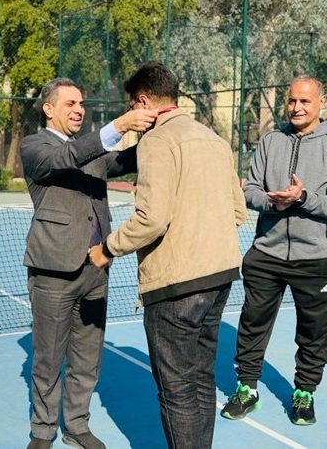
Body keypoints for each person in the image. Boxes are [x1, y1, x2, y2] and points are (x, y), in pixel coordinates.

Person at [89, 61, 246, 449]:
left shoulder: (156, 141)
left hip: (176, 286)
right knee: (201, 380)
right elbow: (238, 211)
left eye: (131, 106)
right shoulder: (213, 139)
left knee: (177, 391)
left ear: (143, 102)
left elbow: (152, 219)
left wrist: (107, 249)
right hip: (220, 277)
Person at [21, 77, 158, 449]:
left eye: (81, 103)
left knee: (87, 357)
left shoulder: (93, 150)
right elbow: (67, 157)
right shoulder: (35, 147)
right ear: (48, 108)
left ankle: (77, 426)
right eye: (70, 104)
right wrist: (119, 126)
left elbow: (126, 160)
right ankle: (42, 431)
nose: (79, 109)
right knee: (48, 359)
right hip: (53, 271)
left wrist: (154, 126)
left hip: (97, 267)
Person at [220, 74, 327, 425]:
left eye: (305, 101)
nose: (296, 107)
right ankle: (247, 388)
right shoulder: (271, 140)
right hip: (266, 254)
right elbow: (249, 191)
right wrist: (274, 202)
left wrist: (303, 199)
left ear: (321, 103)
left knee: (315, 331)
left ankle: (304, 393)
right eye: (291, 100)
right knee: (252, 324)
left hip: (316, 259)